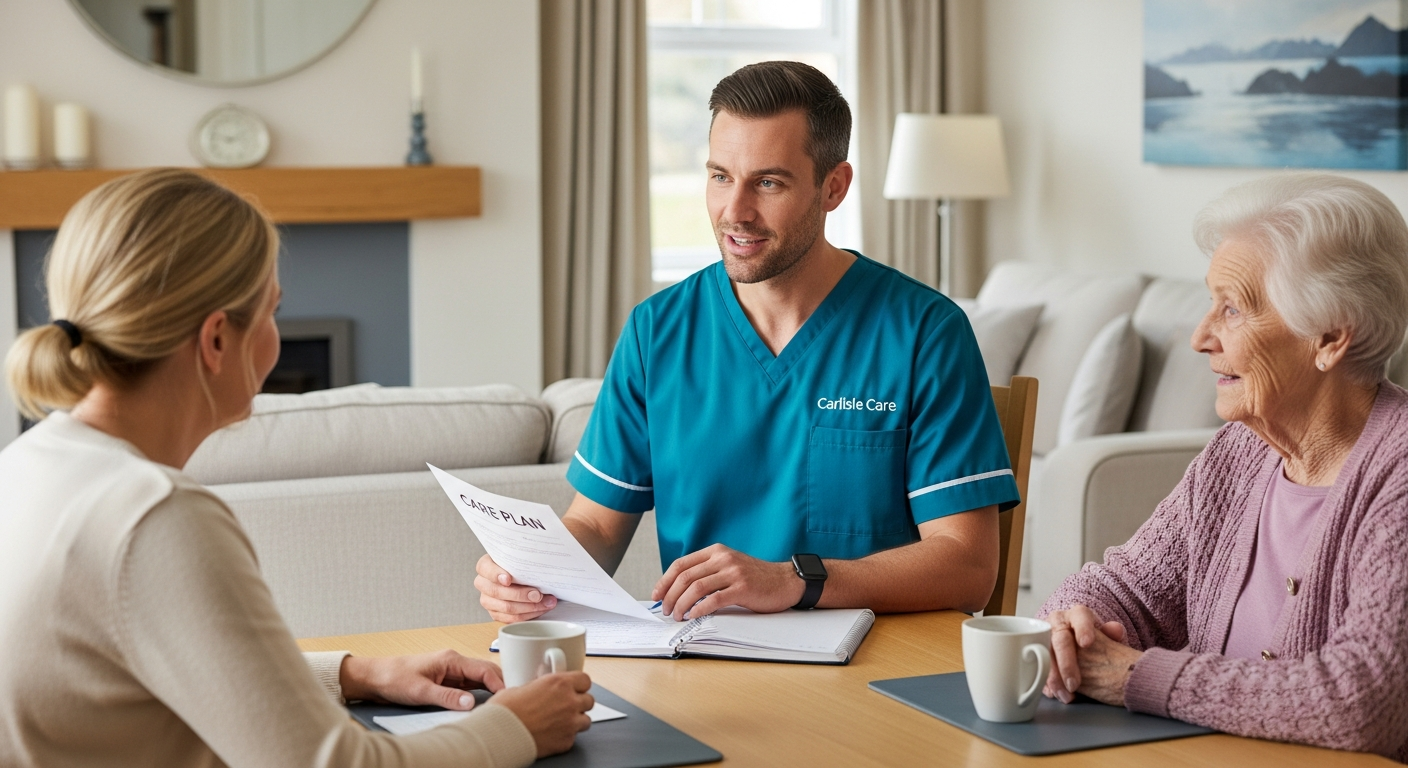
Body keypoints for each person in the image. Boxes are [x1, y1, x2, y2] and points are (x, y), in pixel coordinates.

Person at [0, 169, 593, 767]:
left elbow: (135, 675)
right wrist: (516, 727)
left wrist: (357, 674)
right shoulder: (153, 515)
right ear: (215, 341)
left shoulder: (29, 467)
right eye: (271, 312)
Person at [478, 60, 1020, 624]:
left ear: (833, 187)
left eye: (768, 182)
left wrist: (793, 580)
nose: (734, 212)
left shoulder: (925, 332)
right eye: (719, 177)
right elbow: (594, 526)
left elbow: (968, 569)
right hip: (707, 665)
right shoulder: (655, 333)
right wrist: (531, 571)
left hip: (878, 672)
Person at [1038, 173, 1408, 760]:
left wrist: (1138, 678)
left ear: (1330, 337)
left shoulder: (1399, 477)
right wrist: (1071, 625)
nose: (1199, 336)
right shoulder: (1238, 453)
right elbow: (1129, 587)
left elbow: (1364, 702)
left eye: (1231, 309)